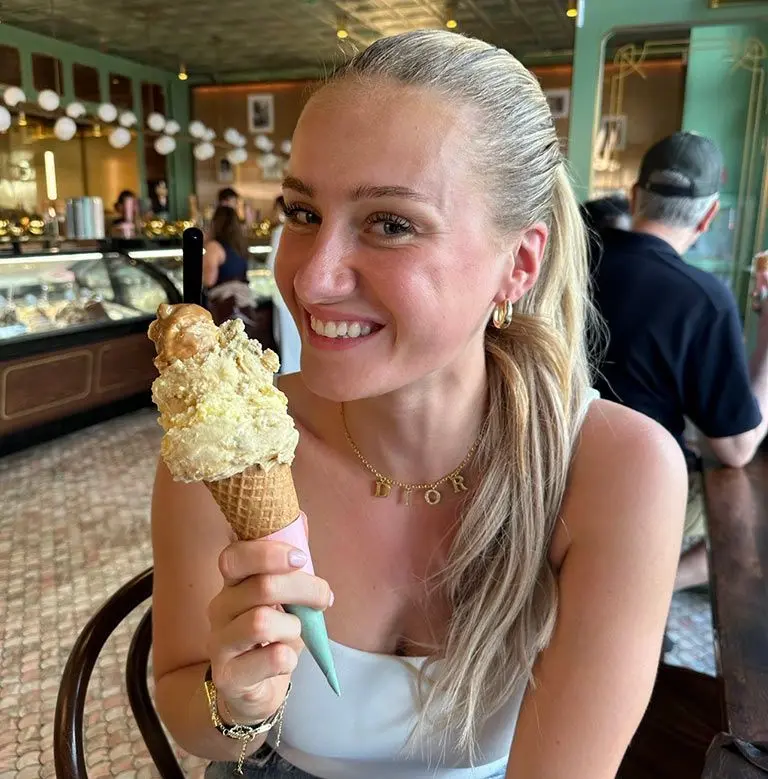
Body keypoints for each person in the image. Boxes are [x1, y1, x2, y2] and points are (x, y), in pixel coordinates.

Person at [152, 31, 687, 779]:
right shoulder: (224, 446)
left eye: (391, 223)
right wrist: (239, 705)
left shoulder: (613, 470)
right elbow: (186, 703)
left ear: (518, 263)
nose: (311, 280)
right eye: (303, 213)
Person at [591, 131, 768, 592]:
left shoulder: (572, 261)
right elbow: (736, 447)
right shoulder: (703, 298)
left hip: (547, 469)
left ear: (635, 196)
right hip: (638, 487)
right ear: (709, 216)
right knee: (749, 519)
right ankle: (646, 588)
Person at [266, 196, 302, 374]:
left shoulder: (281, 231)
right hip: (295, 294)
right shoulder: (300, 232)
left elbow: (270, 263)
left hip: (282, 294)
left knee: (287, 341)